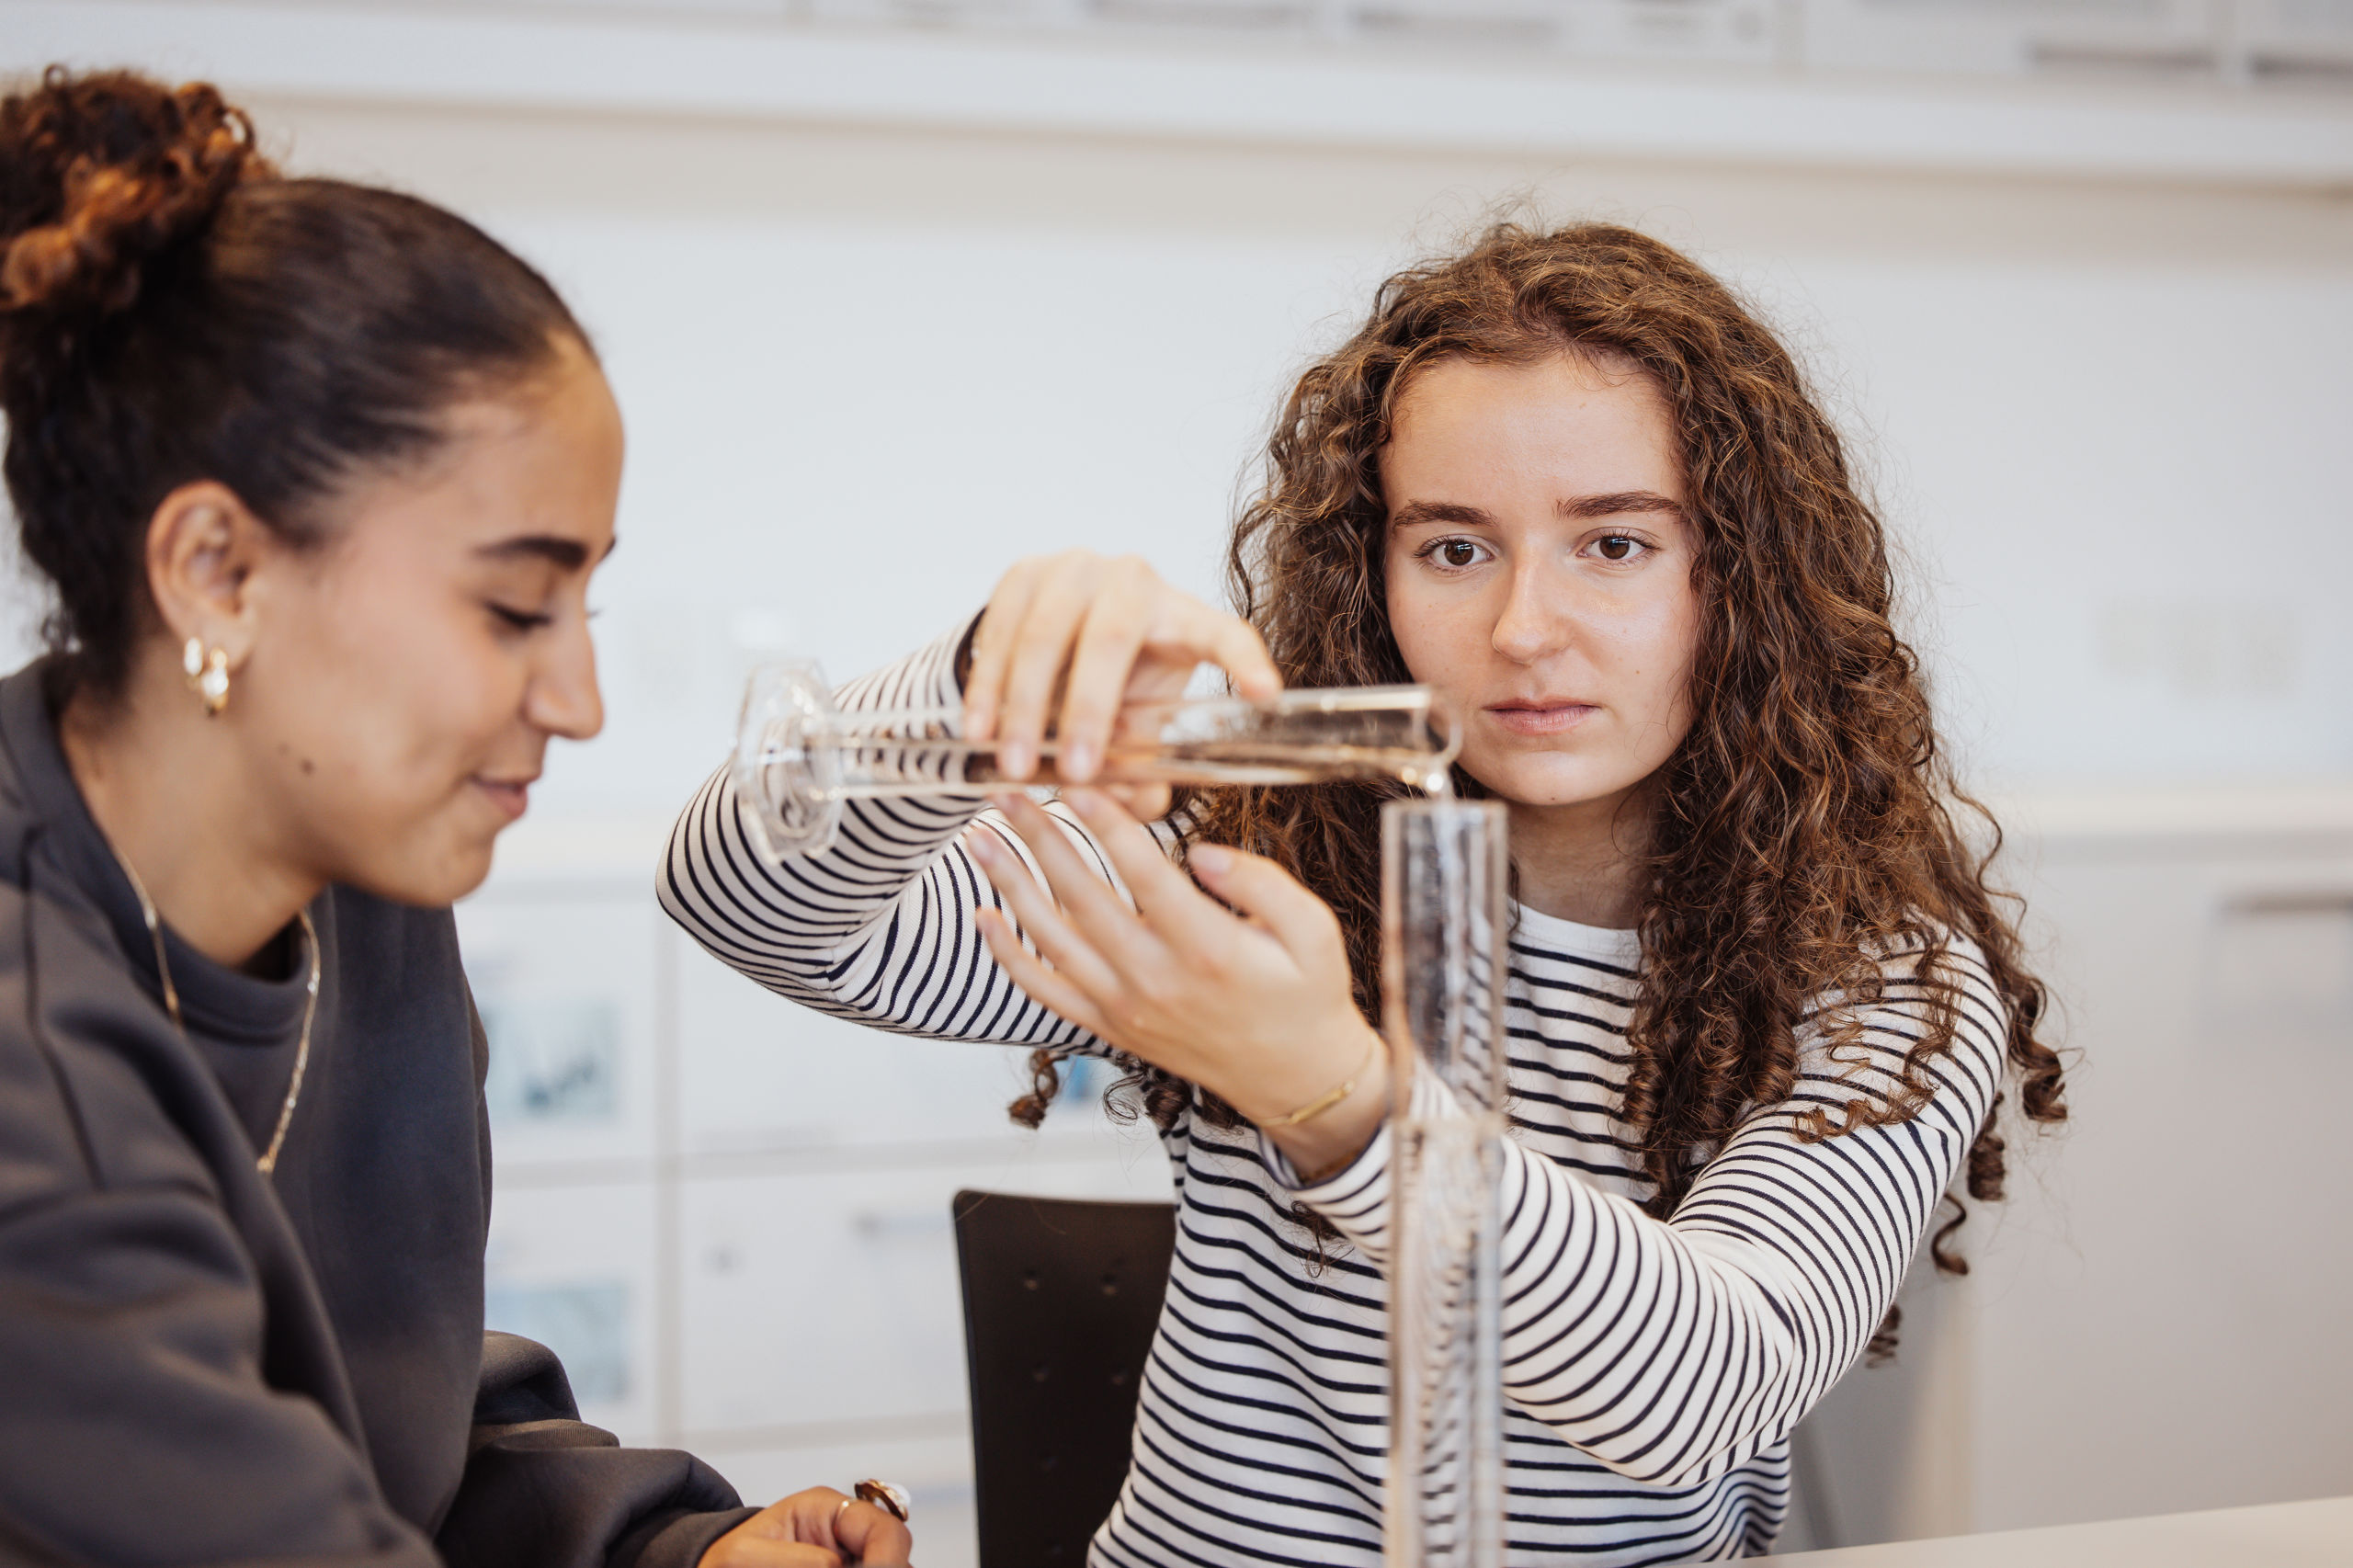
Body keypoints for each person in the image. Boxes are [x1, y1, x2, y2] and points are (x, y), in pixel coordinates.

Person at [661, 222, 2068, 1565]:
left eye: (1614, 543)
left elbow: (1702, 1388)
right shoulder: (1254, 854)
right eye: (1454, 547)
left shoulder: (1882, 981)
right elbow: (747, 905)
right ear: (1372, 575)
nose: (1523, 628)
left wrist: (1337, 1101)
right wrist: (981, 687)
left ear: (1744, 576)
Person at [0, 69, 914, 1568]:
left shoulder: (360, 893)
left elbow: (389, 1432)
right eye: (512, 606)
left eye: (584, 604)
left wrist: (674, 1550)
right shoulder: (29, 1062)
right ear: (218, 571)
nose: (581, 700)